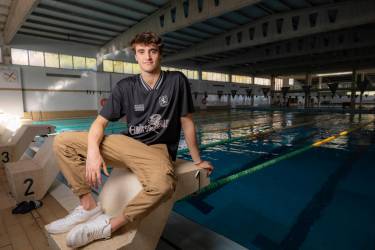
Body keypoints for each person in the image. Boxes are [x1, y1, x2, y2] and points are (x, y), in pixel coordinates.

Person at [45, 31, 214, 248]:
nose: (147, 57)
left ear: (160, 54)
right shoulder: (126, 86)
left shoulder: (175, 81)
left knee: (163, 185)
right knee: (62, 141)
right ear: (135, 55)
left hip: (157, 150)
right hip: (126, 145)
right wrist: (94, 152)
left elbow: (187, 121)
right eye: (141, 52)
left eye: (152, 51)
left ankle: (110, 226)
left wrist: (197, 160)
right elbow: (99, 123)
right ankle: (87, 205)